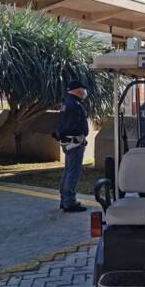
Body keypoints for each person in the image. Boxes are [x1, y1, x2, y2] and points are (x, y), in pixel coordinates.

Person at [55, 80, 90, 212]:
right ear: (78, 90)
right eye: (83, 89)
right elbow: (72, 125)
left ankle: (64, 200)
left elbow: (63, 123)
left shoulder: (66, 103)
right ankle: (69, 202)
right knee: (73, 172)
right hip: (74, 142)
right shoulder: (75, 105)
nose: (85, 92)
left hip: (68, 142)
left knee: (68, 171)